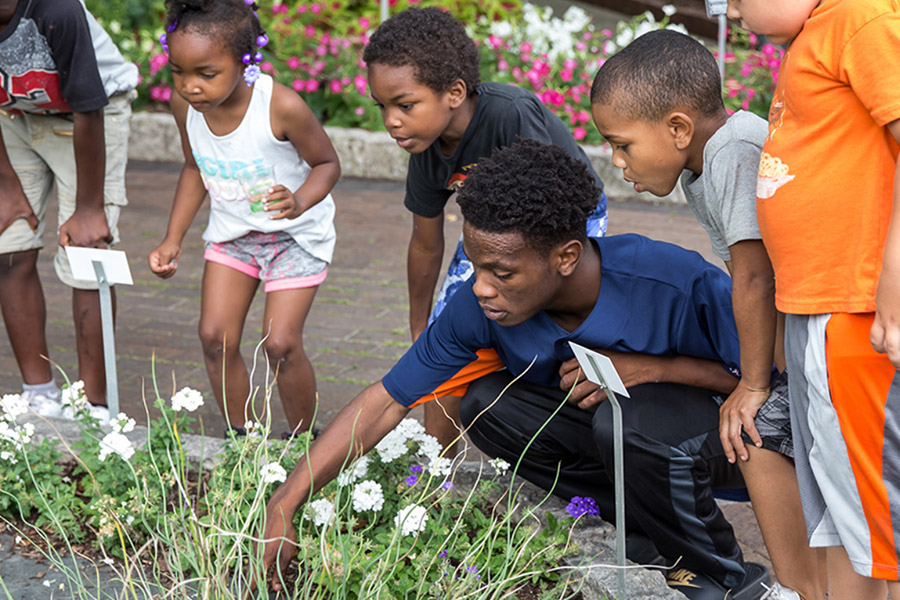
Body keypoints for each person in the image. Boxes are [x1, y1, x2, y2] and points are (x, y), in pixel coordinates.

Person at [259, 139, 771, 600]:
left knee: (626, 419)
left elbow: (761, 383)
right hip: (626, 447)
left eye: (502, 272)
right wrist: (287, 502)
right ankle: (639, 532)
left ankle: (723, 576)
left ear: (566, 256)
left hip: (729, 444)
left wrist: (652, 369)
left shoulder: (671, 282)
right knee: (486, 401)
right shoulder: (481, 306)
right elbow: (387, 400)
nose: (481, 286)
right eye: (476, 265)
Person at [590, 29, 822, 600]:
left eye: (622, 144)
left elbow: (753, 274)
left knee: (755, 425)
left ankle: (802, 587)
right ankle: (799, 587)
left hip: (817, 347)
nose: (617, 163)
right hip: (793, 356)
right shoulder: (707, 159)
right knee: (759, 434)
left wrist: (753, 382)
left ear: (676, 128)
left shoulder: (733, 153)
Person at [361, 7, 608, 453]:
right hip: (496, 233)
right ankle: (438, 475)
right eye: (382, 107)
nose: (391, 121)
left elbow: (562, 202)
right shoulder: (425, 148)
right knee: (441, 343)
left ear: (454, 92)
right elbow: (425, 242)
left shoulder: (511, 114)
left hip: (570, 218)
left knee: (550, 313)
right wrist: (421, 326)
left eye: (404, 104)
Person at [725, 0, 900, 598]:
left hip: (852, 310)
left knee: (875, 516)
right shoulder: (816, 33)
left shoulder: (861, 20)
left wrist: (893, 283)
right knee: (840, 515)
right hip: (815, 313)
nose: (728, 5)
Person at [147, 0, 340, 436]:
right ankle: (244, 441)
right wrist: (172, 238)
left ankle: (307, 445)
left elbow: (328, 164)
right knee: (215, 338)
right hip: (234, 236)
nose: (189, 87)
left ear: (244, 61)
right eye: (178, 72)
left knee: (281, 344)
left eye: (205, 73)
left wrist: (300, 199)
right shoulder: (187, 109)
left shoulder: (280, 106)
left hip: (295, 237)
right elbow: (194, 167)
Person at [0, 0, 138, 420]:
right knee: (7, 247)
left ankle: (94, 403)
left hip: (91, 118)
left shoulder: (57, 10)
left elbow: (88, 106)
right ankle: (38, 391)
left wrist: (89, 208)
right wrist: (6, 188)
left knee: (86, 253)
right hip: (17, 116)